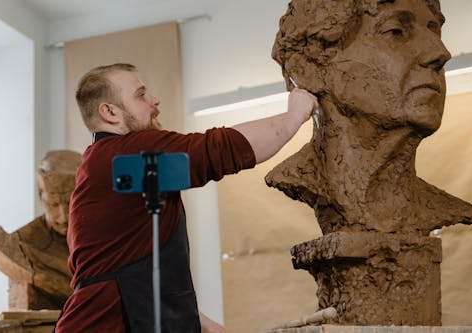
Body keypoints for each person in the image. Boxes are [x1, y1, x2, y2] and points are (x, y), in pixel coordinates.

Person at [55, 63, 318, 332]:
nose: (153, 101)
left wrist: (205, 326)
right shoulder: (126, 152)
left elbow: (138, 277)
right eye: (140, 95)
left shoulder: (105, 162)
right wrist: (294, 116)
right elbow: (222, 149)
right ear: (109, 112)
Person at [266, 0, 472, 236]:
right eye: (396, 31)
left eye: (434, 31)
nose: (440, 52)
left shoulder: (436, 206)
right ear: (309, 68)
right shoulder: (301, 178)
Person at [0, 150, 81, 310]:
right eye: (53, 204)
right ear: (40, 195)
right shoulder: (22, 244)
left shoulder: (105, 237)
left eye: (71, 204)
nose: (63, 217)